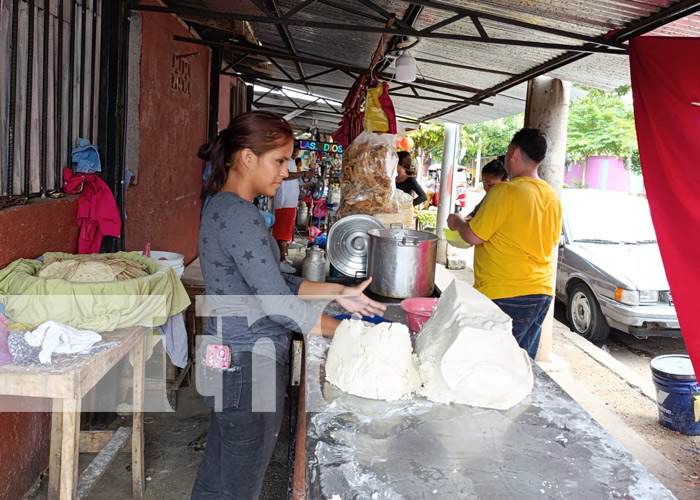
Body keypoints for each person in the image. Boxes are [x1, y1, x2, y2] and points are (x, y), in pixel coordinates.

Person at [192, 111, 386, 500]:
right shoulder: (238, 213)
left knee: (220, 470)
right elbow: (278, 304)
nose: (286, 172)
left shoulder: (224, 207)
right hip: (248, 363)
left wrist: (335, 291)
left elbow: (271, 282)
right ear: (248, 157)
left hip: (229, 355)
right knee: (239, 483)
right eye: (279, 160)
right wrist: (350, 332)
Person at [447, 128, 562, 359]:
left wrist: (457, 221)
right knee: (521, 364)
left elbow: (473, 236)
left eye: (509, 150)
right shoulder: (552, 196)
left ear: (515, 153)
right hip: (542, 292)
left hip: (507, 292)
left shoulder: (504, 191)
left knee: (496, 364)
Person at [271, 149, 312, 273]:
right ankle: (280, 261)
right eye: (294, 150)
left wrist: (303, 186)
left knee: (286, 233)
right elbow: (286, 175)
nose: (296, 153)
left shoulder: (292, 162)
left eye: (297, 151)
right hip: (285, 203)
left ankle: (283, 257)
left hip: (290, 203)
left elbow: (291, 181)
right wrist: (303, 174)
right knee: (282, 234)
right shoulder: (284, 161)